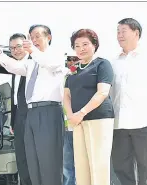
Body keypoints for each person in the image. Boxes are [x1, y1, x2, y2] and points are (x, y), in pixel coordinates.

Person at [0, 24, 66, 185]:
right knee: (32, 163)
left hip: (48, 111)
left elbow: (49, 63)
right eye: (32, 37)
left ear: (49, 37)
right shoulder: (31, 63)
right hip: (31, 114)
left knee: (48, 162)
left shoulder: (56, 55)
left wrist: (33, 51)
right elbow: (15, 66)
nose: (34, 40)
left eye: (38, 36)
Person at [110, 18, 147, 185]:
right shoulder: (113, 62)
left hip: (145, 123)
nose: (119, 35)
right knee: (121, 169)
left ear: (136, 33)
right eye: (118, 31)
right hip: (118, 125)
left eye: (123, 31)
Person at [63, 28, 115, 185]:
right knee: (81, 166)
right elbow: (66, 95)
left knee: (98, 165)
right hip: (77, 121)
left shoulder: (102, 64)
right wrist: (71, 115)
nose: (81, 49)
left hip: (99, 119)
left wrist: (81, 113)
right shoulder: (72, 69)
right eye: (77, 45)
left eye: (85, 44)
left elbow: (102, 92)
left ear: (94, 45)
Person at [8, 33, 32, 185]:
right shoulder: (14, 69)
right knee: (21, 159)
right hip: (19, 119)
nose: (15, 50)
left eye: (18, 46)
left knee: (32, 159)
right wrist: (12, 121)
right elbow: (15, 98)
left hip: (31, 117)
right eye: (11, 48)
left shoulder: (33, 63)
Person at [63, 54, 77, 185]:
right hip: (66, 127)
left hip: (80, 125)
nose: (72, 62)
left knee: (81, 164)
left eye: (75, 59)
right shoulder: (63, 78)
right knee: (67, 166)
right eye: (69, 60)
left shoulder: (86, 76)